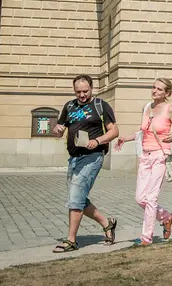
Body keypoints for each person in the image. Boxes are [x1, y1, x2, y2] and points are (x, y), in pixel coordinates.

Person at [52, 74, 119, 253]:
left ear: (92, 88)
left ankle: (71, 241)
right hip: (74, 158)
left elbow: (114, 131)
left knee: (75, 198)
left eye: (85, 91)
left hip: (93, 156)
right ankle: (107, 224)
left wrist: (97, 141)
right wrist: (57, 130)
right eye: (78, 92)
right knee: (79, 198)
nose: (81, 95)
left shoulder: (101, 106)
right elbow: (60, 130)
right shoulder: (69, 106)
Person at [115, 78, 172, 246]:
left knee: (151, 198)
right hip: (145, 157)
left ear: (167, 93)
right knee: (140, 198)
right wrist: (126, 138)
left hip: (160, 156)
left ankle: (146, 237)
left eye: (159, 89)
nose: (155, 91)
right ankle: (166, 217)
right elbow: (142, 132)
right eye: (153, 87)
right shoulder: (147, 107)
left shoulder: (169, 109)